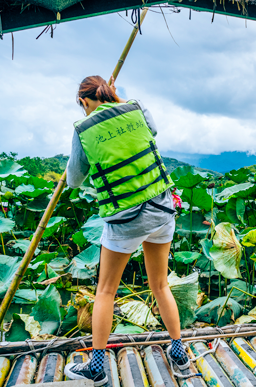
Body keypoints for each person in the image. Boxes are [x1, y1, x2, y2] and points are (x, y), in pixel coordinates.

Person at [63, 75, 189, 386]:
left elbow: (74, 180)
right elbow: (153, 131)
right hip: (161, 210)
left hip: (125, 221)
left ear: (83, 101)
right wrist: (118, 103)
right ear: (111, 93)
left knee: (105, 291)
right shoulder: (136, 107)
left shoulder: (83, 129)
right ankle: (179, 351)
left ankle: (96, 366)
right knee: (161, 285)